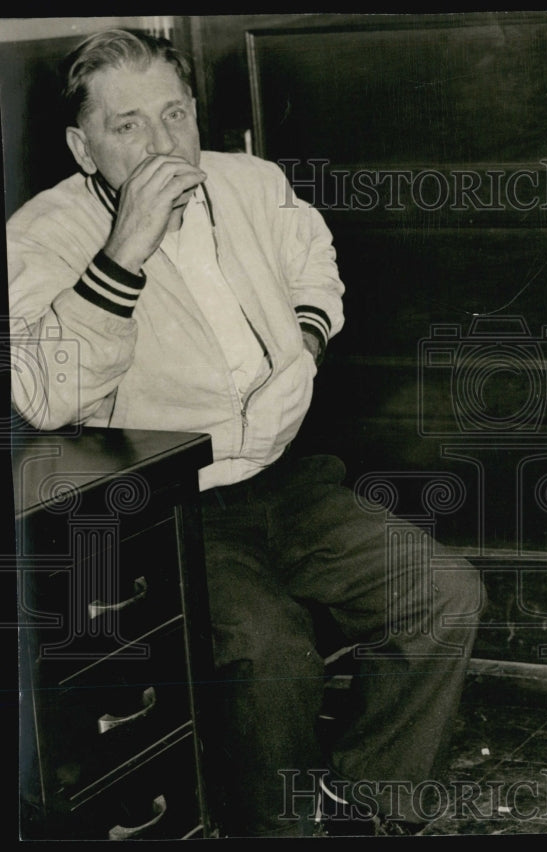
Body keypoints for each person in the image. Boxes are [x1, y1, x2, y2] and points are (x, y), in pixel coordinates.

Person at [7, 28, 483, 837]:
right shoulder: (37, 237)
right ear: (82, 148)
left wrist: (304, 335)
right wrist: (125, 250)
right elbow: (43, 396)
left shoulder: (250, 182)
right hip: (171, 515)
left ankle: (371, 801)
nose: (164, 147)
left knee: (442, 597)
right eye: (129, 127)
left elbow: (313, 260)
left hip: (289, 480)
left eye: (176, 116)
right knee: (269, 659)